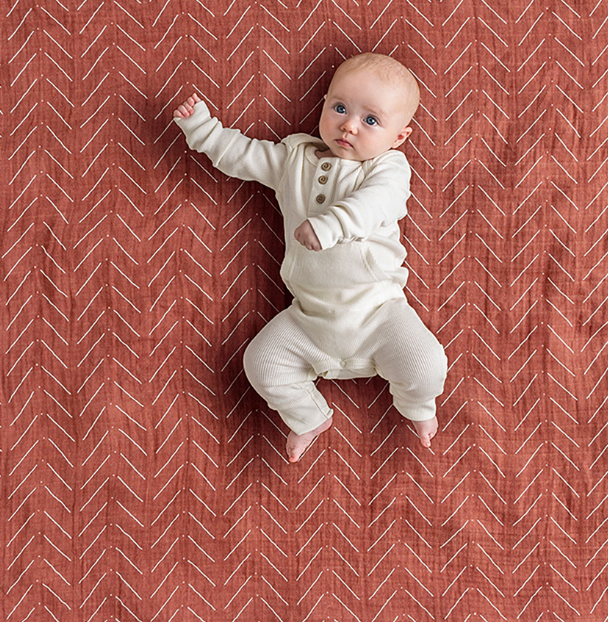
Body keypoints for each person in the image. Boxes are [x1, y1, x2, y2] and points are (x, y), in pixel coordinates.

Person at [174, 52, 448, 462]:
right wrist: (202, 129)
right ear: (323, 105)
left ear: (398, 137)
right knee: (261, 363)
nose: (349, 125)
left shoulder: (388, 169)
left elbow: (376, 205)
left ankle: (419, 409)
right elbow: (245, 156)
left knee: (426, 363)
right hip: (309, 317)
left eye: (370, 120)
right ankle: (307, 417)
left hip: (379, 313)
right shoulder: (295, 158)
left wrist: (330, 225)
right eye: (339, 108)